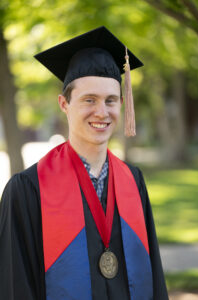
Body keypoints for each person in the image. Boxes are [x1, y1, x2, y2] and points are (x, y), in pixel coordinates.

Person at [0, 26, 169, 300]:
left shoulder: (133, 181)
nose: (101, 112)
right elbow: (14, 286)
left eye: (111, 100)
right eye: (89, 99)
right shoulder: (27, 190)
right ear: (64, 104)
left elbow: (154, 279)